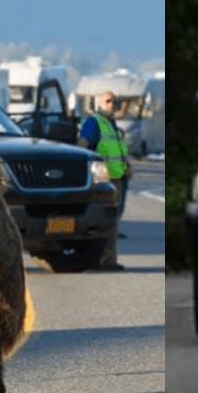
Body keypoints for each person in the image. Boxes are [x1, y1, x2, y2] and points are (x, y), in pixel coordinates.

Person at [78, 90, 131, 271]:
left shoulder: (112, 125)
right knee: (107, 222)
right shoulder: (94, 123)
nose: (112, 105)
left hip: (117, 179)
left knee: (112, 221)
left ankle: (103, 259)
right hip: (103, 181)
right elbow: (83, 148)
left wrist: (127, 167)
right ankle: (105, 260)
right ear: (99, 104)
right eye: (108, 101)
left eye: (114, 102)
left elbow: (119, 151)